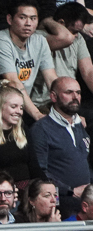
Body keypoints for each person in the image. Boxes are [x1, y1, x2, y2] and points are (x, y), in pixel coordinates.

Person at [31, 75, 90, 215]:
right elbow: (40, 172)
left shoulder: (80, 126)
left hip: (86, 198)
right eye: (69, 92)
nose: (75, 97)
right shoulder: (41, 129)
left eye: (78, 93)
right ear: (53, 96)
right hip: (60, 200)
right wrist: (71, 191)